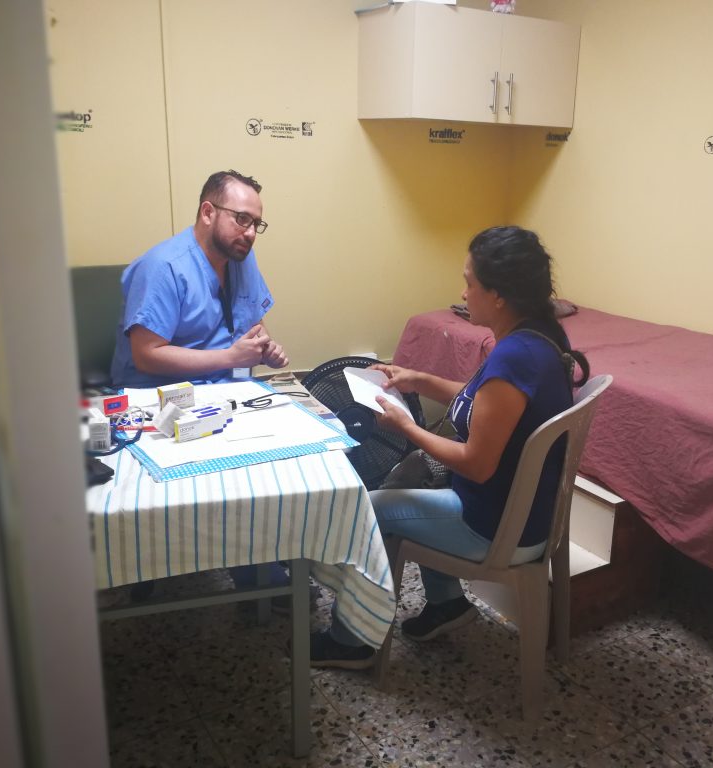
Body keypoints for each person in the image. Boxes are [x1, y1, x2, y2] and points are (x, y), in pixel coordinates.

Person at [309, 225, 578, 668]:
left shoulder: (515, 357)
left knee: (368, 508)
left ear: (498, 295)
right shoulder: (539, 336)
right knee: (418, 478)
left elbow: (476, 465)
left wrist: (406, 427)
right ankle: (446, 603)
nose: (463, 293)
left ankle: (350, 640)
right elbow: (487, 404)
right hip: (525, 511)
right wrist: (418, 380)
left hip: (496, 527)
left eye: (470, 282)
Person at [111, 169, 290, 597]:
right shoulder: (163, 267)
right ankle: (250, 570)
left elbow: (252, 323)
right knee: (222, 477)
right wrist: (230, 358)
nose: (250, 233)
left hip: (225, 390)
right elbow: (146, 354)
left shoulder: (240, 259)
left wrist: (263, 346)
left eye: (256, 224)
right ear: (208, 212)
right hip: (155, 396)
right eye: (241, 219)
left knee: (278, 457)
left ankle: (266, 554)